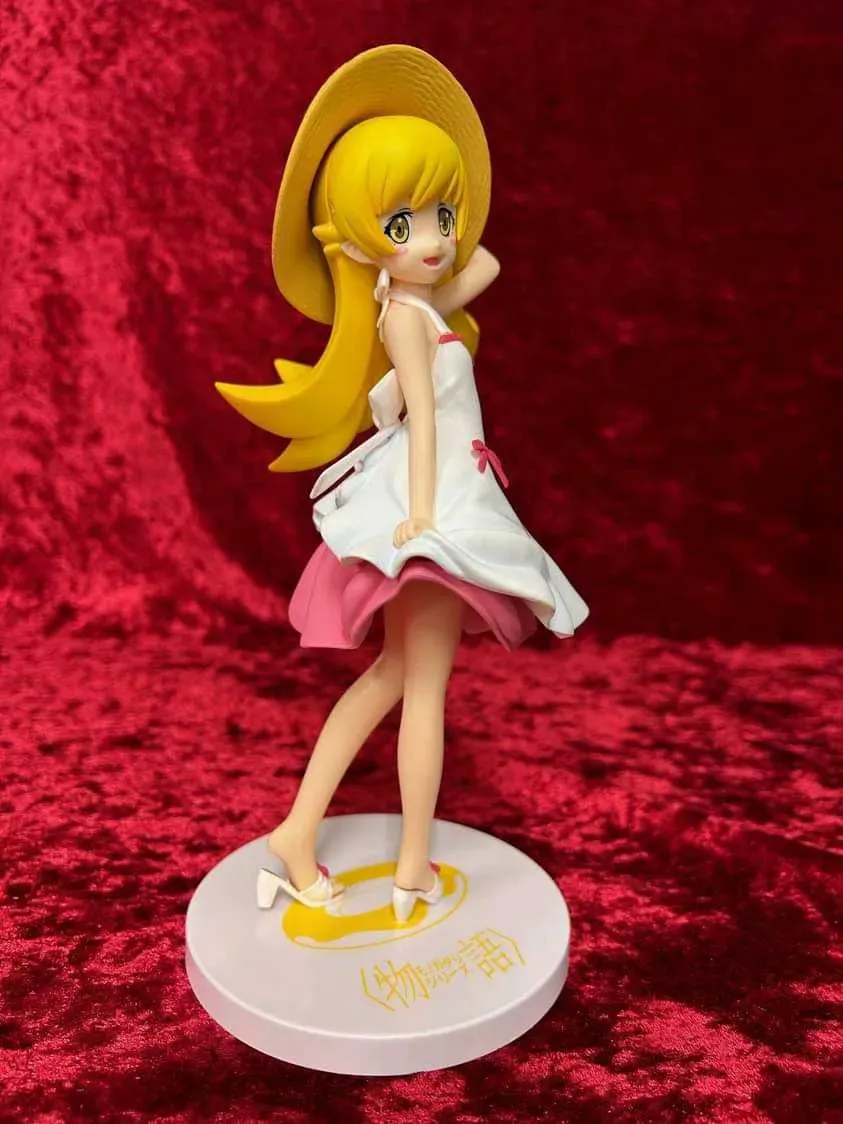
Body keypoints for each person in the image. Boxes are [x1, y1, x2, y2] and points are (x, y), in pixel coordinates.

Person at [217, 46, 589, 923]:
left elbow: (482, 265)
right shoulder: (403, 320)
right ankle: (401, 863)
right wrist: (424, 519)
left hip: (445, 494)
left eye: (440, 215)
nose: (435, 238)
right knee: (418, 687)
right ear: (358, 242)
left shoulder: (417, 303)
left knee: (397, 678)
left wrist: (432, 213)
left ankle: (305, 836)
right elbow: (422, 418)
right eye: (402, 223)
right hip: (435, 505)